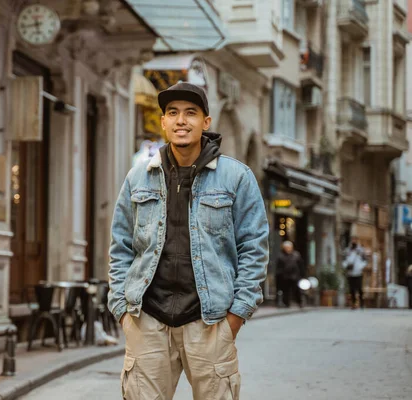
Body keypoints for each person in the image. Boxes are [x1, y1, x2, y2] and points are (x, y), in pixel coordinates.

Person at [108, 82, 269, 400]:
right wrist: (122, 311)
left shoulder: (236, 177)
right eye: (173, 113)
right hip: (147, 319)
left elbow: (255, 247)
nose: (181, 120)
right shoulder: (138, 177)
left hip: (209, 321)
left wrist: (235, 317)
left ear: (206, 122)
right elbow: (120, 246)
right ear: (164, 122)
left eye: (191, 113)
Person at [276, 241, 305, 308]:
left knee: (297, 290)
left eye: (289, 247)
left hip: (295, 275)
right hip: (285, 276)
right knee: (286, 291)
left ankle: (300, 302)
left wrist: (302, 275)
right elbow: (279, 267)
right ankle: (286, 303)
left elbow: (301, 265)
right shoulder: (281, 256)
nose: (288, 249)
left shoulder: (296, 255)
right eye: (286, 247)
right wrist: (280, 275)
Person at [342, 240, 367, 309]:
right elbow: (344, 261)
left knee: (359, 288)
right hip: (350, 273)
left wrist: (360, 267)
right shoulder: (347, 251)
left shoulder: (360, 251)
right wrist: (346, 266)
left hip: (358, 273)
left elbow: (365, 261)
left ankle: (361, 303)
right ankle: (353, 303)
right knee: (351, 289)